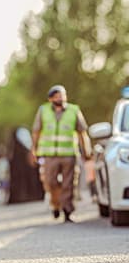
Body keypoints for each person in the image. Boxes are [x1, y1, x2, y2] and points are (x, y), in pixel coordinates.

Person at [29, 85, 92, 222]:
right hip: (49, 155)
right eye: (57, 96)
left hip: (69, 154)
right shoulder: (43, 110)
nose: (61, 98)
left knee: (69, 183)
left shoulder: (74, 110)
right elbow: (36, 131)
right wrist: (33, 150)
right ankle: (56, 204)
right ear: (50, 99)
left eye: (62, 95)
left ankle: (68, 211)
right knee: (50, 182)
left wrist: (86, 150)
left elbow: (82, 133)